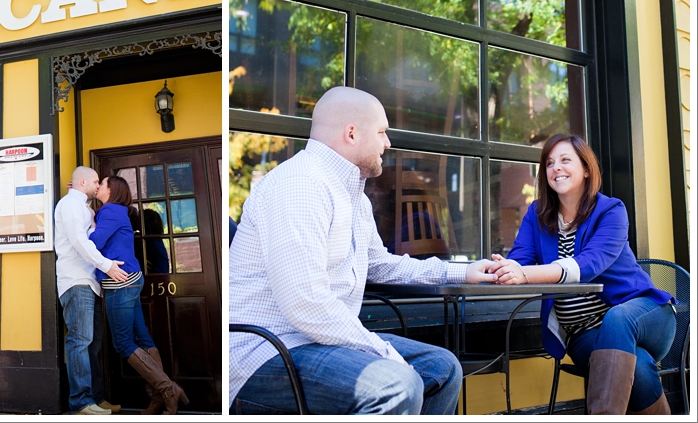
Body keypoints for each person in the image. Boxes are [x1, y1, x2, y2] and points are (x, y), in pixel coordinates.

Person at [229, 86, 497, 415]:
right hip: (265, 351)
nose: (388, 143)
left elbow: (380, 265)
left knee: (443, 369)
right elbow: (306, 303)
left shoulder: (354, 196)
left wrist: (464, 271)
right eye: (382, 132)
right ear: (352, 134)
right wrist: (383, 353)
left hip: (320, 342)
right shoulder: (300, 184)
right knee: (397, 385)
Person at [488, 133, 675, 415]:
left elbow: (589, 264)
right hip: (583, 332)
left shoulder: (611, 210)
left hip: (645, 315)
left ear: (586, 169)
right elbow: (520, 260)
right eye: (549, 163)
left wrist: (525, 274)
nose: (556, 168)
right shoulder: (537, 213)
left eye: (565, 160)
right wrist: (503, 268)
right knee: (638, 366)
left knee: (618, 317)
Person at [90, 175, 189, 415]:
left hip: (120, 282)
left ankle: (167, 389)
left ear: (111, 190)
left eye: (102, 183)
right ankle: (158, 398)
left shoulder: (110, 210)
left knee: (123, 343)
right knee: (142, 338)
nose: (98, 186)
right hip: (132, 278)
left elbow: (94, 241)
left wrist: (89, 225)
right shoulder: (118, 211)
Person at [54, 166, 127, 415]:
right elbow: (79, 241)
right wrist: (107, 265)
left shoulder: (82, 206)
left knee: (93, 344)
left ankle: (96, 398)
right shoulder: (70, 204)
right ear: (82, 181)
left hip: (89, 283)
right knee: (80, 341)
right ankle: (81, 402)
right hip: (76, 281)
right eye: (96, 181)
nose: (98, 186)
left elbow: (89, 235)